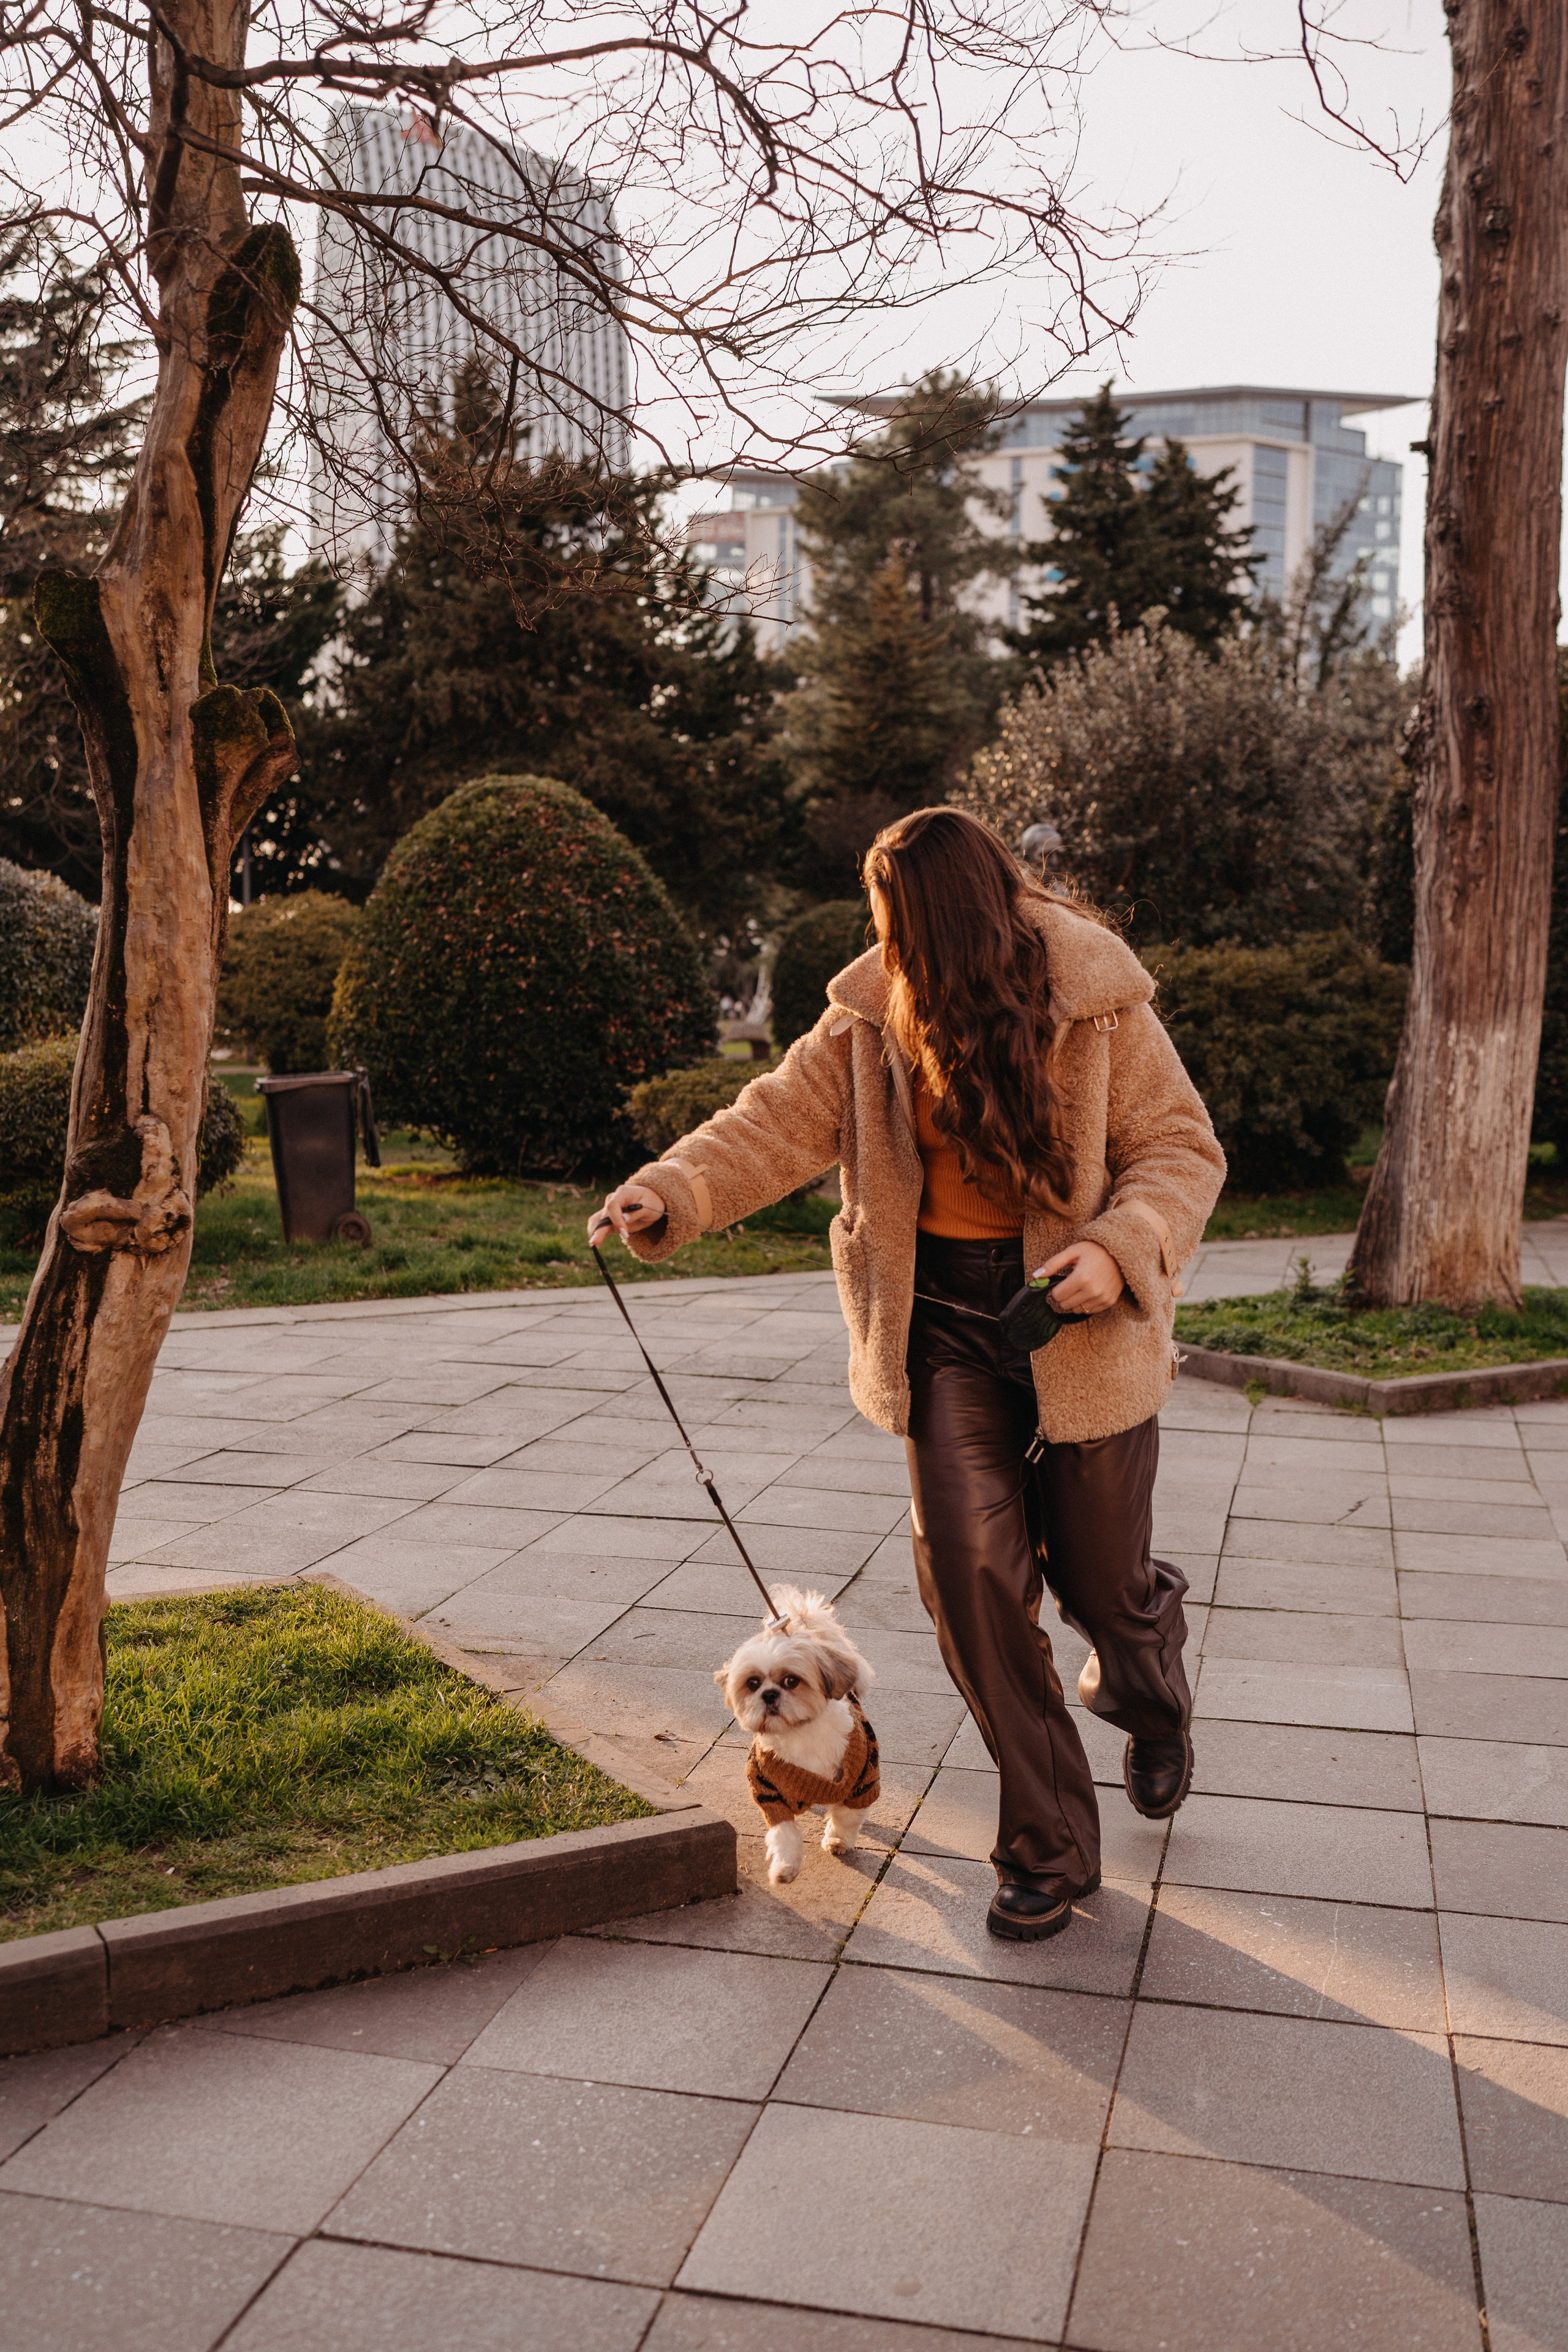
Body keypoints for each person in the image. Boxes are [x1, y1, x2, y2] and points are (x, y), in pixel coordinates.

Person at [594, 807, 1224, 1942]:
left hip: (1077, 1327)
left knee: (1101, 1582)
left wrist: (1118, 1248)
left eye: (898, 924)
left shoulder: (1099, 1003)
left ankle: (1146, 1673)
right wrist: (671, 1188)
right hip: (939, 1333)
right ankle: (1048, 1850)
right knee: (976, 1592)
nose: (885, 947)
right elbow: (771, 1121)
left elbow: (1181, 1148)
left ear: (964, 921)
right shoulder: (872, 1020)